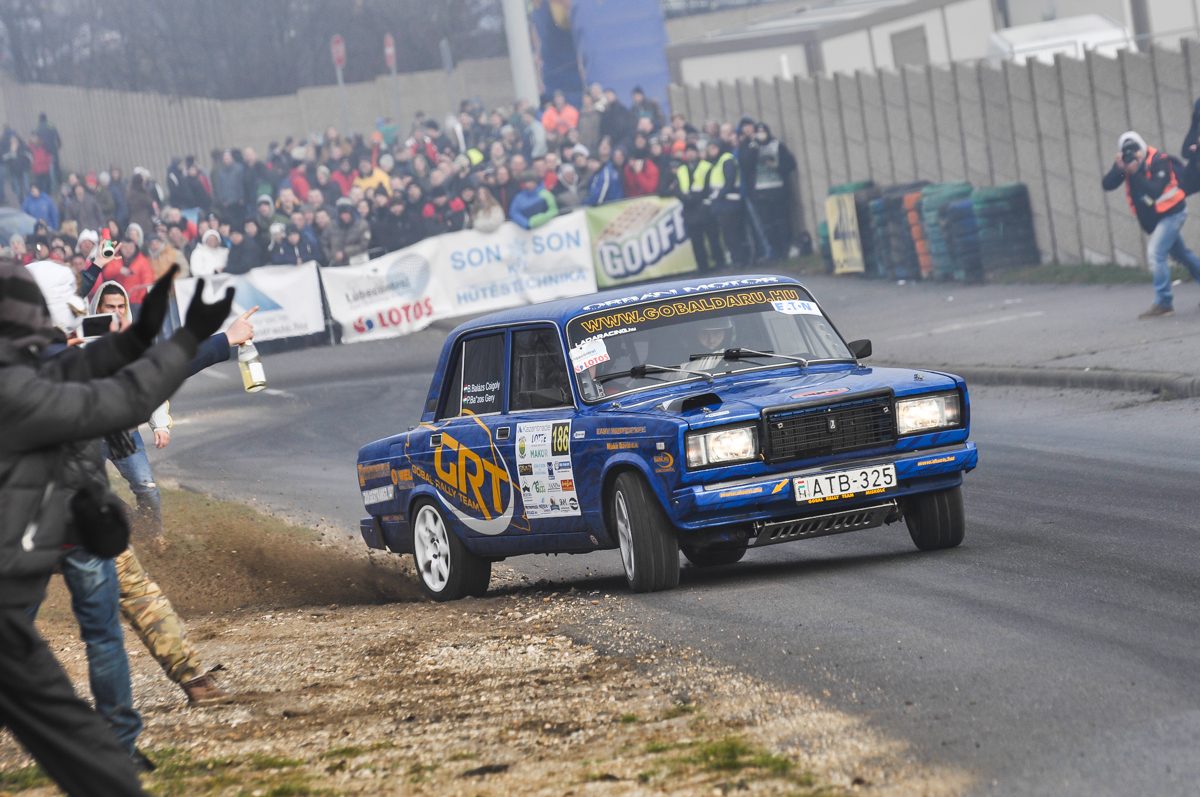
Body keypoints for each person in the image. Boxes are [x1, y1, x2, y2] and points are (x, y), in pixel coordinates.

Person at [0, 259, 234, 796]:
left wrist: (145, 334)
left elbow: (111, 363)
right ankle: (139, 729)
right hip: (73, 520)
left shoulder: (44, 362)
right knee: (108, 627)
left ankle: (184, 687)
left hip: (34, 533)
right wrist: (200, 337)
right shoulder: (46, 373)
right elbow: (127, 390)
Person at [1102, 131, 1200, 318]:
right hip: (1158, 218)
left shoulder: (1159, 161)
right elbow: (1107, 185)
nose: (1133, 155)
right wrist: (1119, 169)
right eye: (1128, 152)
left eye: (1135, 151)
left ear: (1142, 148)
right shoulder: (1127, 165)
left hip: (1173, 213)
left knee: (1156, 253)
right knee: (1182, 255)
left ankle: (1164, 303)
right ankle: (1164, 302)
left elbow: (1154, 191)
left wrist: (1135, 173)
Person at [674, 142, 724, 272]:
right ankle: (703, 266)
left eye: (692, 151)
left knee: (712, 237)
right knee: (696, 240)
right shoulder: (681, 169)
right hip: (689, 209)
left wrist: (695, 198)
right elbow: (677, 188)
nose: (690, 154)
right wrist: (685, 198)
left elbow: (709, 186)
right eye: (688, 151)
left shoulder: (706, 166)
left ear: (697, 153)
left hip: (704, 206)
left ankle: (719, 262)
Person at [752, 122, 797, 261]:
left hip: (777, 188)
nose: (761, 134)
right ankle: (775, 251)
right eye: (758, 132)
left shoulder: (777, 145)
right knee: (768, 224)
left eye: (763, 131)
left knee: (782, 220)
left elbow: (790, 164)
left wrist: (775, 165)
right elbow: (745, 163)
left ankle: (785, 249)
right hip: (761, 191)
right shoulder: (752, 148)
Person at [706, 139, 749, 266]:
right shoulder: (717, 162)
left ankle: (740, 259)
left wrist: (719, 194)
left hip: (729, 202)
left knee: (732, 233)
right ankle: (737, 259)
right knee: (728, 234)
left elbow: (729, 181)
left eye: (713, 148)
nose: (711, 151)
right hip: (723, 203)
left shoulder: (726, 159)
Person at [324, 198, 371, 266]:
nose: (345, 216)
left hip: (358, 262)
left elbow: (364, 245)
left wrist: (345, 253)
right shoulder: (331, 226)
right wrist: (331, 256)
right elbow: (324, 243)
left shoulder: (362, 225)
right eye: (342, 214)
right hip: (337, 264)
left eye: (347, 213)